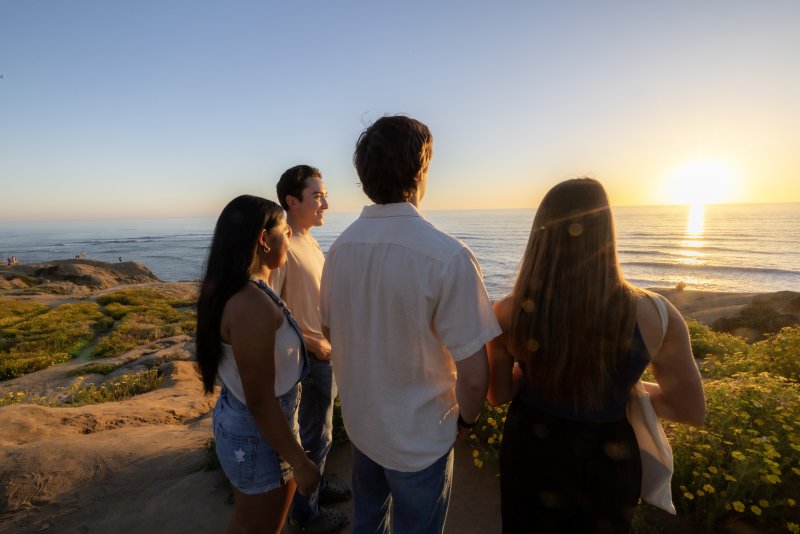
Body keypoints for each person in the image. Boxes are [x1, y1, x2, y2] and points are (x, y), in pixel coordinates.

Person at [487, 178, 706, 533]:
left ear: (540, 236)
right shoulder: (655, 314)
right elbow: (690, 410)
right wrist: (625, 386)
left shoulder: (508, 314)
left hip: (531, 453)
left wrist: (536, 373)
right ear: (607, 232)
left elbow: (498, 395)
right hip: (609, 460)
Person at [320, 115, 501, 533]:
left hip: (365, 427)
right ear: (421, 171)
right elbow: (474, 376)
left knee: (368, 521)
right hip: (420, 439)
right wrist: (467, 420)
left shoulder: (339, 250)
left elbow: (332, 332)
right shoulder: (447, 256)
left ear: (364, 178)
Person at [196, 195, 321, 533]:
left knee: (250, 522)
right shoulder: (250, 305)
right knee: (260, 527)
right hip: (259, 433)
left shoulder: (239, 287)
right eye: (285, 230)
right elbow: (260, 401)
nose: (290, 236)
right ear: (264, 239)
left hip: (250, 423)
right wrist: (300, 462)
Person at [270, 165, 350, 533]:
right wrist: (312, 341)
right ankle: (306, 513)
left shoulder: (308, 239)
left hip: (325, 353)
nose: (325, 203)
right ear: (292, 200)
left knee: (323, 432)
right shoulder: (282, 241)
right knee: (316, 435)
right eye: (317, 195)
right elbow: (269, 308)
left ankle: (316, 490)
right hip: (308, 358)